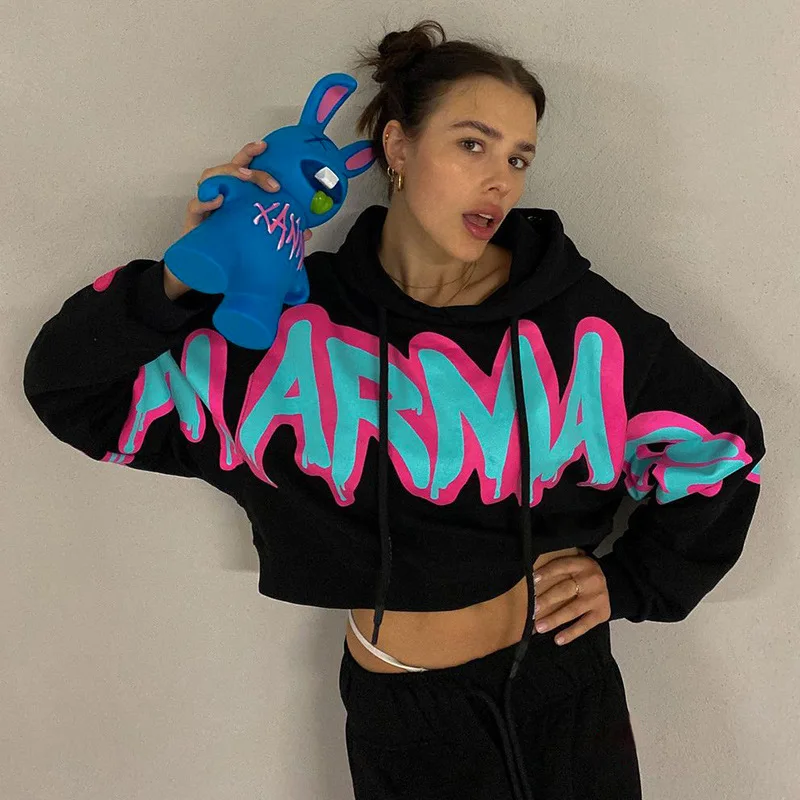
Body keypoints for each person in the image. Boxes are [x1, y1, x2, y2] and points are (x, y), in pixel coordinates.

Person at [22, 19, 766, 800]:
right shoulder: (292, 328)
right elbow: (71, 388)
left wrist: (634, 581)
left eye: (518, 158)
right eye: (473, 145)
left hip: (564, 695)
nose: (500, 182)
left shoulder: (577, 322)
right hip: (405, 721)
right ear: (398, 148)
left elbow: (719, 451)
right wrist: (188, 272)